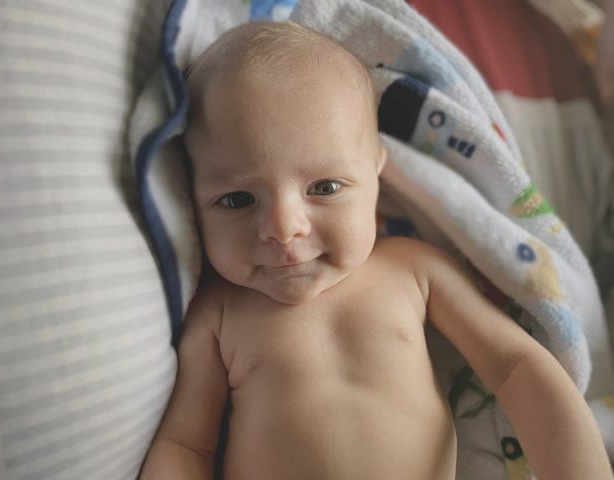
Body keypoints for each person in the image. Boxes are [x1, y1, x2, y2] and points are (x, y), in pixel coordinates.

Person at [140, 21, 612, 480]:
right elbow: (186, 445)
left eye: (325, 187)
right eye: (237, 200)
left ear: (376, 173)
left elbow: (515, 366)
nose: (284, 230)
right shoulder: (217, 313)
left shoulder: (414, 269)